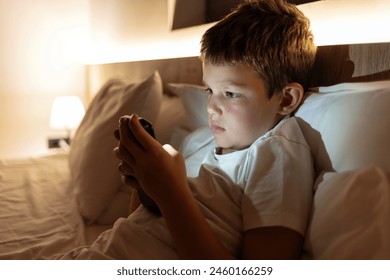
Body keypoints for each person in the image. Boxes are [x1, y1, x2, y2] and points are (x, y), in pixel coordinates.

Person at [60, 0, 316, 260]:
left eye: (230, 93)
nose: (212, 108)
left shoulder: (276, 153)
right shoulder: (199, 141)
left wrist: (169, 191)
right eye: (209, 90)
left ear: (286, 99)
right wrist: (145, 184)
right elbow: (140, 225)